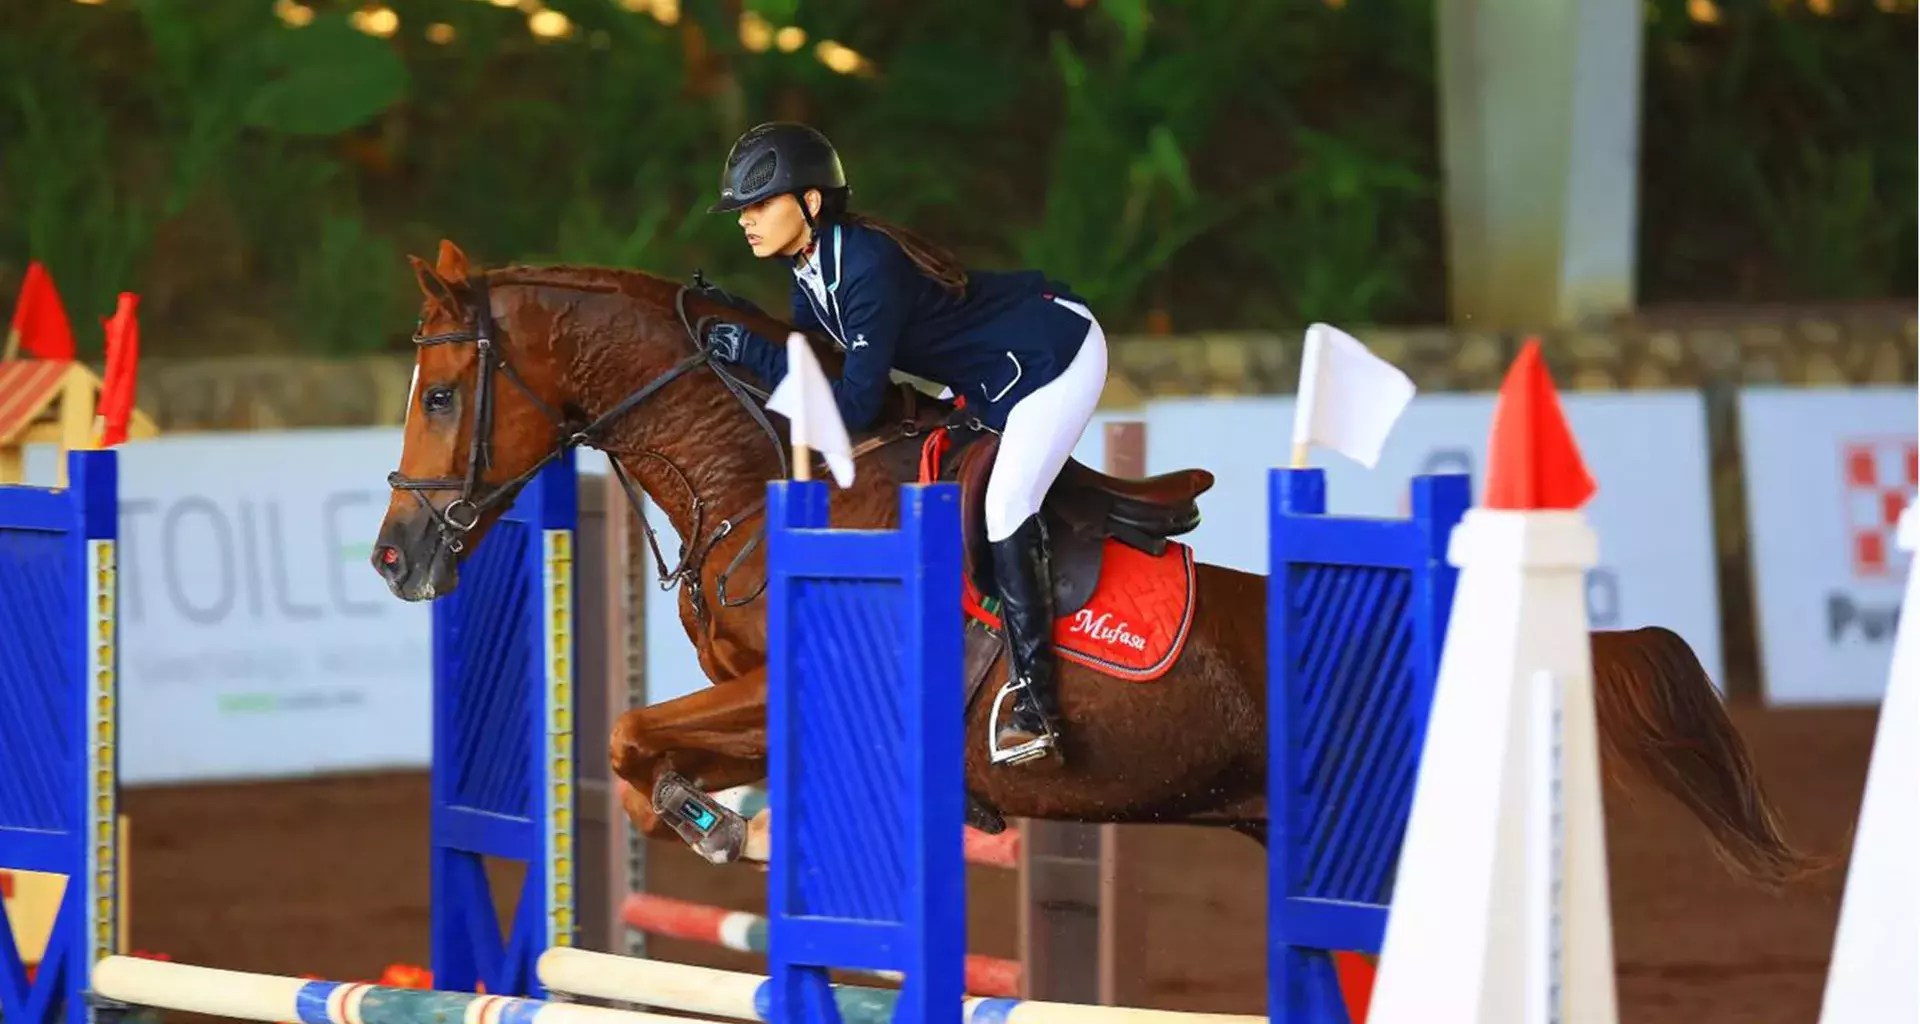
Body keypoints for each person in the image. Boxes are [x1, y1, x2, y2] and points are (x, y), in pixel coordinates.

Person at [699, 121, 1110, 768]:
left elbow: (857, 404)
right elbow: (816, 359)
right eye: (741, 211)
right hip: (988, 373)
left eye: (758, 206)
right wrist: (744, 320)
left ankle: (1038, 705)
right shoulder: (810, 266)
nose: (745, 221)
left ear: (809, 203)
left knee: (1007, 505)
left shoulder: (865, 266)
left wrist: (754, 350)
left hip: (1051, 356)